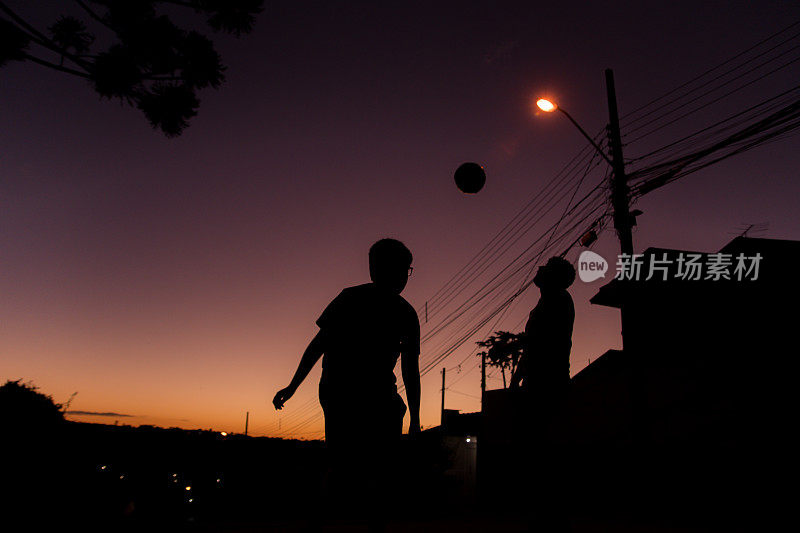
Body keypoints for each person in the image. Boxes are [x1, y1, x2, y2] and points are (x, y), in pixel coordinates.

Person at [272, 238, 421, 529]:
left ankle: (366, 514)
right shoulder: (356, 301)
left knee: (366, 457)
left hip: (366, 390)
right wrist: (292, 386)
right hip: (343, 390)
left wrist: (415, 417)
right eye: (400, 270)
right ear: (376, 269)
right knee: (347, 459)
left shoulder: (399, 312)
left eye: (406, 271)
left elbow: (409, 368)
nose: (403, 277)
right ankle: (341, 514)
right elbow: (319, 345)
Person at [509, 256, 575, 532]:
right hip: (541, 379)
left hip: (549, 380)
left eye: (546, 268)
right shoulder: (550, 301)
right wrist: (518, 377)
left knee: (544, 446)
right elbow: (533, 346)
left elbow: (540, 343)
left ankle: (550, 512)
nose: (540, 270)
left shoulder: (558, 300)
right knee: (539, 446)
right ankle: (544, 511)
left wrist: (519, 370)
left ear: (553, 277)